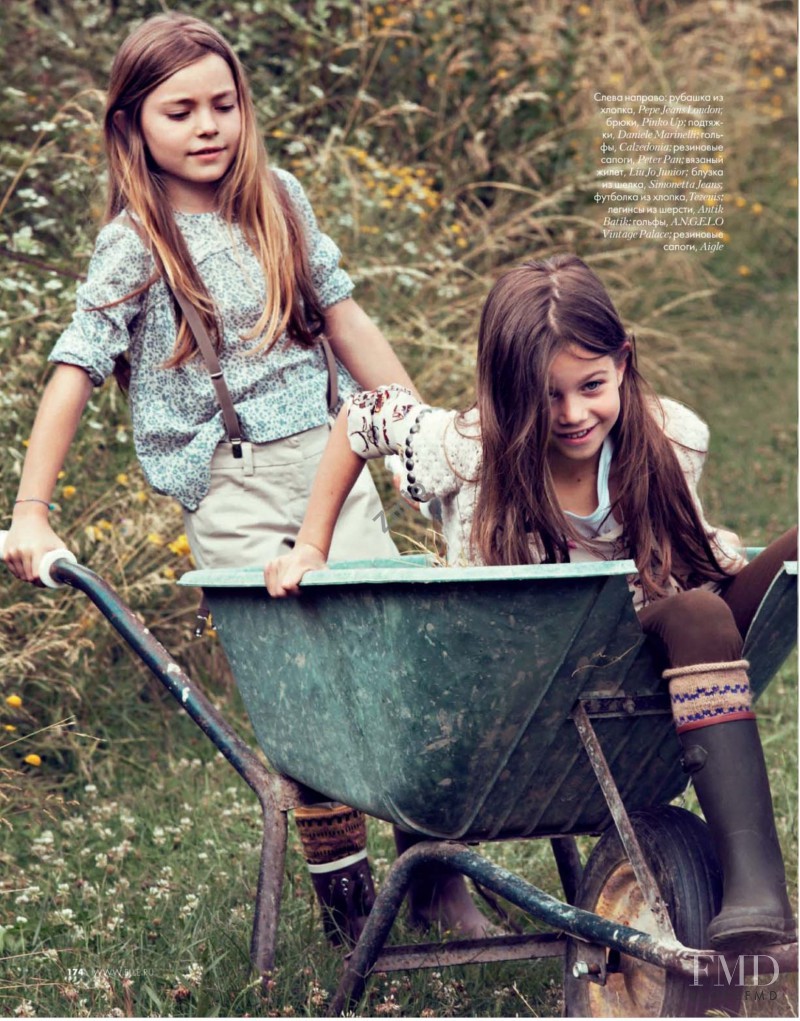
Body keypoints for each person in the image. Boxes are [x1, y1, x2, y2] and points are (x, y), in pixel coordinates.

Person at [1, 11, 483, 947]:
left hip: (336, 465)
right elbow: (75, 370)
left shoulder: (280, 199)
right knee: (306, 698)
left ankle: (431, 879)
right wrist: (30, 510)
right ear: (133, 124)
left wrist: (423, 430)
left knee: (399, 662)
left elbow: (344, 322)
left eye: (223, 104)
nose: (208, 125)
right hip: (232, 487)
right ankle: (348, 911)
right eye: (180, 110)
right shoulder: (136, 243)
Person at [266, 253, 797, 950]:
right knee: (696, 613)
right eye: (547, 396)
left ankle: (756, 888)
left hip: (635, 667)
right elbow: (362, 416)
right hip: (516, 685)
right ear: (504, 388)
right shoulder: (463, 448)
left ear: (623, 362)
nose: (574, 414)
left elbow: (691, 569)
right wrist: (311, 546)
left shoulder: (669, 437)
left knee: (711, 604)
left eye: (592, 386)